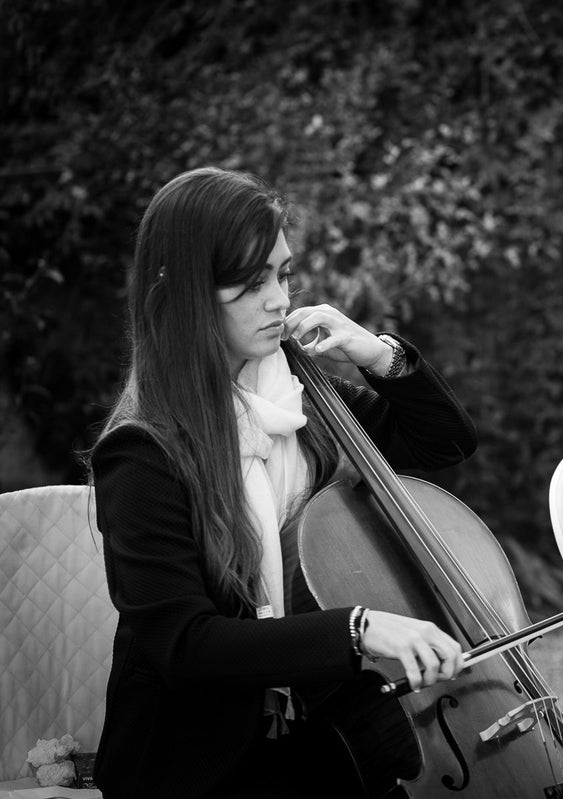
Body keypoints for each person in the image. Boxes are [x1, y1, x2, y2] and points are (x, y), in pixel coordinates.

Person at [88, 167, 477, 798]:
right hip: (205, 760)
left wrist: (375, 353)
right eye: (251, 283)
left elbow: (446, 442)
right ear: (182, 293)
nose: (279, 299)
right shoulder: (142, 454)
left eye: (284, 274)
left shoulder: (301, 396)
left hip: (331, 724)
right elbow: (184, 647)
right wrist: (357, 629)